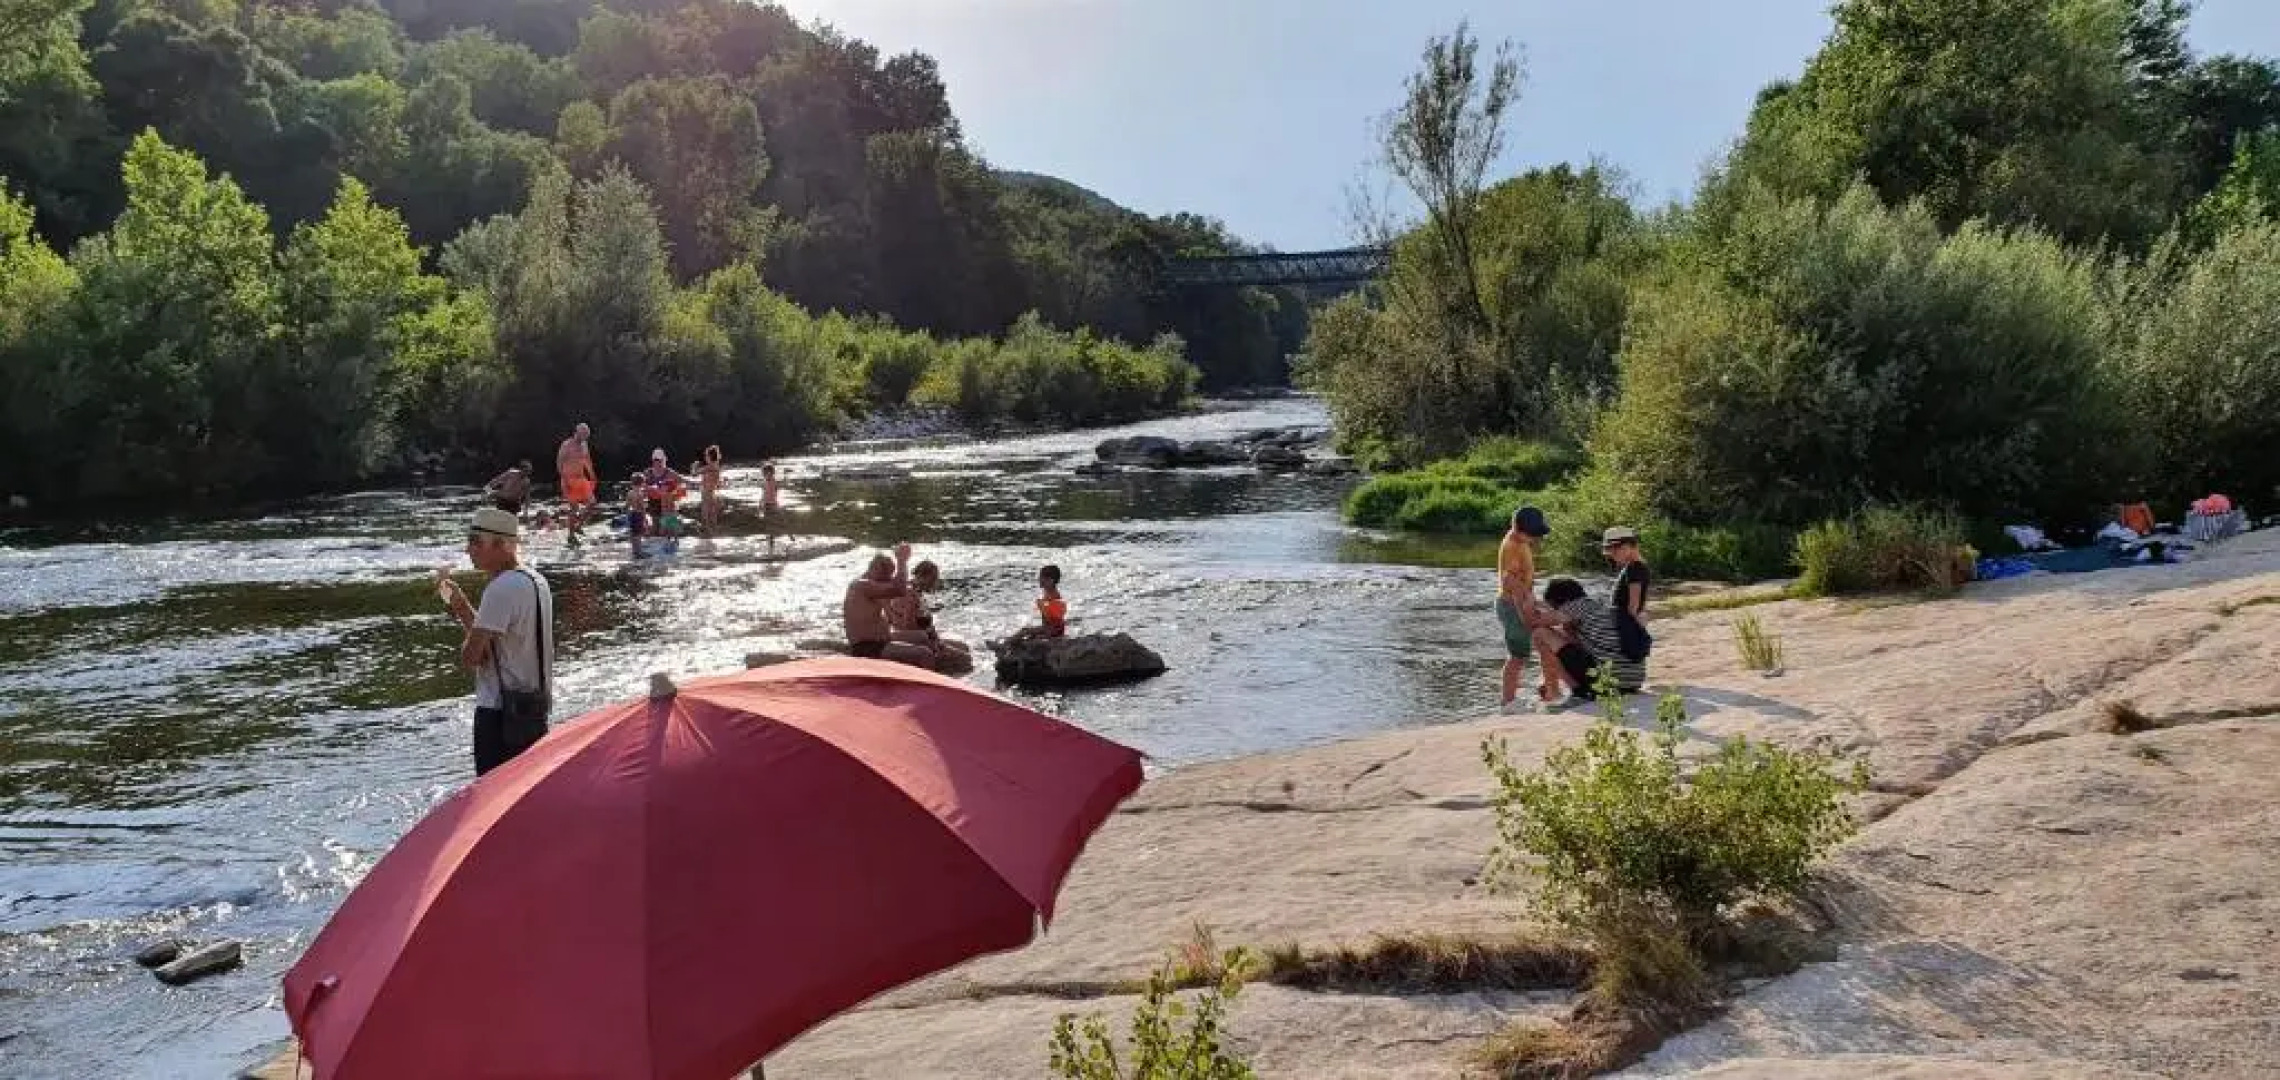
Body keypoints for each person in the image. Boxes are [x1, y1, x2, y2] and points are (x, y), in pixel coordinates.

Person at [436, 507, 555, 776]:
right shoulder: (536, 580)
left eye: (476, 542)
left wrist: (461, 609)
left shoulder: (500, 589)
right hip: (534, 710)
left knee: (493, 794)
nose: (469, 549)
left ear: (502, 545)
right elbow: (498, 647)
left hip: (500, 714)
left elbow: (474, 657)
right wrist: (461, 605)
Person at [1533, 577, 1646, 702]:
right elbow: (1582, 645)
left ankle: (1565, 691)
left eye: (1553, 606)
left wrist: (1524, 601)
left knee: (1540, 633)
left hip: (1608, 683)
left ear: (1559, 601)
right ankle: (1556, 688)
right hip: (1632, 683)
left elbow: (1534, 622)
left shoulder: (1574, 606)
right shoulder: (1598, 606)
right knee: (1560, 634)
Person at [1496, 506, 1552, 710]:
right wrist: (1525, 610)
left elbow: (1519, 577)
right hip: (1513, 605)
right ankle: (1508, 702)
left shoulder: (1520, 540)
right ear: (1518, 529)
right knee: (1517, 655)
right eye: (1532, 534)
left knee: (1538, 644)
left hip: (1521, 601)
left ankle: (1545, 689)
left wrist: (1533, 599)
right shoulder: (1512, 546)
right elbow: (1509, 581)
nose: (1536, 538)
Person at [885, 559, 971, 671]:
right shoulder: (910, 594)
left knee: (964, 647)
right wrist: (936, 644)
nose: (935, 582)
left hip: (926, 637)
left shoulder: (916, 592)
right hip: (914, 638)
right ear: (923, 577)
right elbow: (908, 626)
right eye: (933, 578)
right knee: (966, 659)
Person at [842, 544, 912, 657]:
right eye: (886, 575)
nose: (888, 580)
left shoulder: (873, 587)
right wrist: (901, 560)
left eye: (889, 576)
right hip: (867, 646)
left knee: (922, 637)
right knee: (924, 653)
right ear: (875, 568)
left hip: (881, 640)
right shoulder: (861, 585)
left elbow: (895, 621)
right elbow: (899, 589)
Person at [1603, 526, 1653, 663]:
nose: (1611, 555)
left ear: (1627, 546)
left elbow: (1633, 606)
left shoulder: (1634, 568)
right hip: (1625, 622)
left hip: (1625, 622)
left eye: (1614, 550)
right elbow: (1641, 600)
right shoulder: (1637, 566)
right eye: (1609, 550)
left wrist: (1640, 629)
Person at [557, 423, 598, 545]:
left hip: (581, 478)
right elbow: (559, 462)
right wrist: (564, 480)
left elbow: (587, 460)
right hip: (568, 479)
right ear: (577, 433)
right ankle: (571, 536)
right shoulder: (566, 445)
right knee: (574, 508)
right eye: (583, 434)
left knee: (592, 503)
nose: (585, 437)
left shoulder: (584, 444)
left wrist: (592, 475)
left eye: (587, 435)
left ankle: (578, 526)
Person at [1007, 564, 1068, 644]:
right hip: (1048, 631)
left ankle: (1006, 644)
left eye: (1042, 577)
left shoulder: (1055, 601)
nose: (1039, 579)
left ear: (1050, 580)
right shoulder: (1047, 596)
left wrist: (1041, 634)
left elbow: (1056, 626)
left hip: (1052, 633)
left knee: (1025, 631)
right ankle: (1008, 644)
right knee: (1027, 634)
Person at [696, 445, 724, 535]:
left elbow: (695, 472)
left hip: (707, 494)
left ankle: (709, 533)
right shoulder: (715, 466)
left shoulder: (710, 467)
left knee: (707, 515)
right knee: (711, 515)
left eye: (706, 455)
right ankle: (712, 533)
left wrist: (694, 466)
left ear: (711, 456)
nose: (705, 457)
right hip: (711, 493)